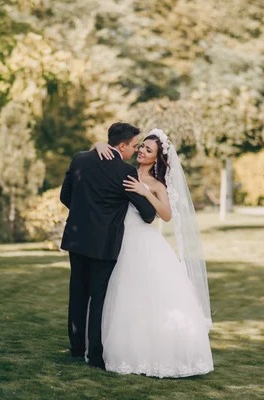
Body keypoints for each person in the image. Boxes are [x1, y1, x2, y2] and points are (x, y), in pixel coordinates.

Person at [94, 129, 214, 378]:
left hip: (143, 241)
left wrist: (144, 191)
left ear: (156, 158)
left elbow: (167, 216)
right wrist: (97, 144)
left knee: (146, 295)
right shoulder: (122, 170)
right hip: (119, 239)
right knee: (123, 296)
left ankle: (155, 352)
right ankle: (123, 347)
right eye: (142, 147)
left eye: (149, 150)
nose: (142, 151)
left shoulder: (157, 184)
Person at [59, 122, 156, 369]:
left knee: (77, 293)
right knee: (99, 298)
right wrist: (144, 193)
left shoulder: (80, 159)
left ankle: (76, 347)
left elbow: (65, 196)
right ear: (121, 146)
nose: (136, 151)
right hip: (103, 243)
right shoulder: (124, 172)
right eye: (134, 146)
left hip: (77, 237)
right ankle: (94, 356)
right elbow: (147, 214)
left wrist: (85, 214)